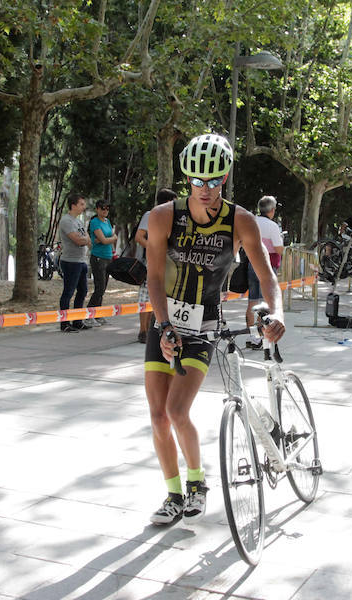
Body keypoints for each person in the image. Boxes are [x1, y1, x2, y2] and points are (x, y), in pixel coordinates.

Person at [144, 133, 285, 526]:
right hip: (166, 320)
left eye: (214, 181)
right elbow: (155, 278)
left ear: (225, 177)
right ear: (187, 179)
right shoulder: (163, 217)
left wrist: (277, 313)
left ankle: (197, 483)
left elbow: (267, 276)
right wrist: (163, 324)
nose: (205, 190)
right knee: (157, 416)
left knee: (176, 409)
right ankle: (174, 493)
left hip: (204, 323)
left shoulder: (240, 220)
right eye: (197, 181)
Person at [136, 188, 177, 343]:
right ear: (166, 201)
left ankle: (157, 329)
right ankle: (143, 330)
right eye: (173, 201)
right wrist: (155, 249)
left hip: (168, 264)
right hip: (151, 263)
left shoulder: (172, 218)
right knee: (146, 296)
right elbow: (139, 237)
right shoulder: (152, 214)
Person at [246, 195, 285, 349]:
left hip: (251, 264)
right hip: (268, 267)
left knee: (252, 302)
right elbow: (279, 249)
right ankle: (264, 337)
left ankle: (252, 337)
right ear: (272, 210)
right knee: (267, 302)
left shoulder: (251, 222)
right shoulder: (272, 226)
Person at [58, 193, 92, 332]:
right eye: (81, 204)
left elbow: (87, 239)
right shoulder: (66, 221)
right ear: (73, 205)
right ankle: (64, 323)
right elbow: (77, 240)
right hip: (70, 262)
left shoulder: (78, 221)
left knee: (83, 290)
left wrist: (84, 239)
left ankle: (77, 320)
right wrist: (83, 239)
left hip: (81, 261)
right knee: (68, 292)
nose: (84, 207)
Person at [87, 199, 117, 325]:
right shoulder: (95, 222)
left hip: (108, 256)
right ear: (97, 209)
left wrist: (109, 241)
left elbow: (107, 239)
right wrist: (111, 238)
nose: (105, 211)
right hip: (98, 258)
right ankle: (88, 314)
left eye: (107, 208)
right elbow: (104, 240)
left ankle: (97, 314)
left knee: (103, 288)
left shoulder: (107, 221)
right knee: (99, 287)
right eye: (102, 208)